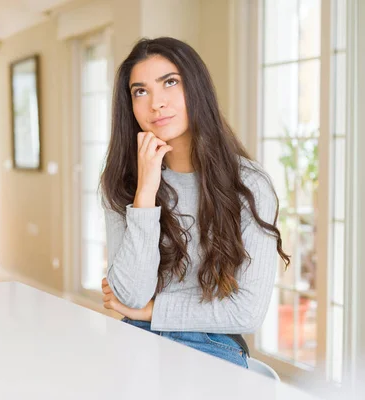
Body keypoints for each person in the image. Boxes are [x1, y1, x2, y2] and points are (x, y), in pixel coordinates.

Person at [100, 37, 290, 368]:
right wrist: (145, 193)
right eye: (140, 91)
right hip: (135, 339)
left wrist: (153, 310)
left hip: (212, 345)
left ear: (196, 89)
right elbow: (129, 295)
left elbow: (247, 312)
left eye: (170, 83)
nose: (156, 103)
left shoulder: (250, 185)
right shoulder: (122, 184)